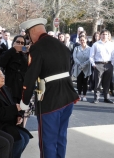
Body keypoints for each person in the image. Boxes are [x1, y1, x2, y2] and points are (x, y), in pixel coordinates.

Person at [19, 18, 79, 158]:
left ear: (33, 31)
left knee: (48, 141)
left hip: (50, 100)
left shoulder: (37, 48)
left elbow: (30, 77)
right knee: (60, 137)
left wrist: (24, 102)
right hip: (68, 97)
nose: (29, 40)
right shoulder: (61, 44)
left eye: (28, 36)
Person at [0, 67, 33, 158]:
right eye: (0, 75)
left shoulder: (5, 89)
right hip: (0, 124)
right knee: (19, 141)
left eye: (3, 75)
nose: (3, 77)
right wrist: (14, 109)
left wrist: (18, 115)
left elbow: (13, 104)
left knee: (26, 137)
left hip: (9, 122)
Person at [0, 35, 28, 104]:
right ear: (13, 43)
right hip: (11, 85)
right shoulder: (8, 53)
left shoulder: (24, 56)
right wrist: (14, 49)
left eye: (22, 43)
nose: (20, 44)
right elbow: (1, 63)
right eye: (18, 42)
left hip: (21, 86)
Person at [89, 29, 114, 104]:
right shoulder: (96, 44)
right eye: (103, 34)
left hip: (108, 64)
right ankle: (96, 98)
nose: (104, 36)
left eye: (106, 34)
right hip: (98, 64)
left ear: (108, 36)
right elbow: (91, 56)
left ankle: (106, 97)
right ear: (100, 35)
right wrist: (94, 64)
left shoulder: (111, 44)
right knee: (98, 82)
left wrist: (112, 64)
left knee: (107, 82)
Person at [72, 35, 91, 101]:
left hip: (86, 67)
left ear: (86, 40)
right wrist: (80, 64)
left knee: (85, 82)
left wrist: (84, 64)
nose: (82, 41)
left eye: (83, 40)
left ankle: (84, 95)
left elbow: (90, 58)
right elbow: (74, 57)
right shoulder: (76, 48)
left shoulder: (90, 49)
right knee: (79, 82)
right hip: (78, 67)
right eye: (81, 40)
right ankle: (79, 94)